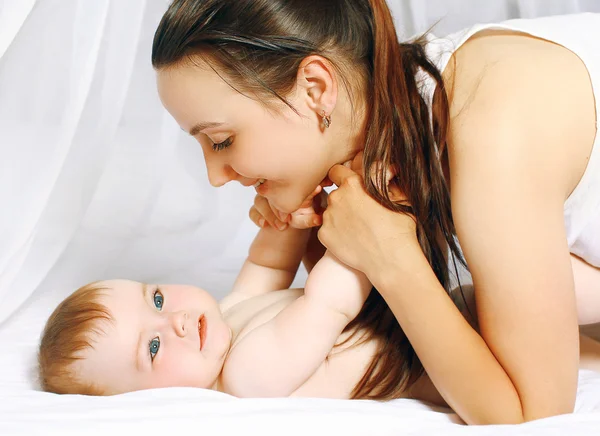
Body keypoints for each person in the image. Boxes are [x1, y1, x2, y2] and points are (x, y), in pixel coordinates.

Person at [150, 0, 600, 425]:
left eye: (222, 140)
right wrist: (329, 234)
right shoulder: (396, 132)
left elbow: (534, 415)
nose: (215, 175)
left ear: (315, 89)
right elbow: (378, 325)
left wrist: (392, 259)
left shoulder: (491, 123)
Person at [38, 187, 447, 404]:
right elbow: (329, 302)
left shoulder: (227, 315)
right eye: (154, 346)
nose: (174, 321)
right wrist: (368, 225)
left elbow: (269, 266)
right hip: (438, 369)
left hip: (425, 323)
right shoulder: (245, 376)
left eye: (157, 300)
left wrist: (283, 215)